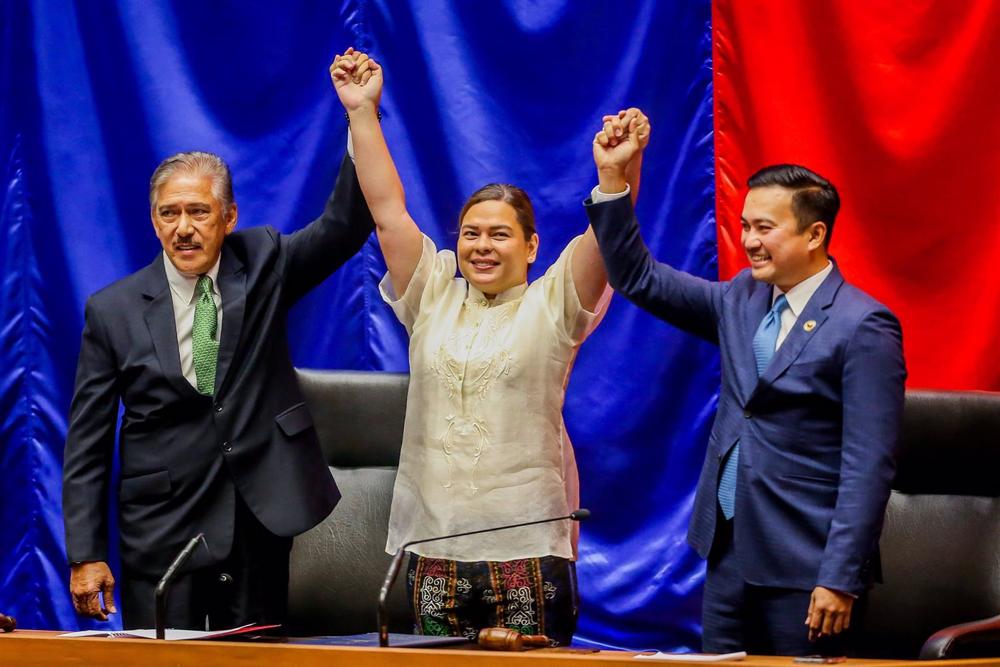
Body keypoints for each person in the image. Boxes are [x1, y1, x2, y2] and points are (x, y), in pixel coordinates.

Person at [329, 49, 647, 646]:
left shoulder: (555, 304)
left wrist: (617, 177)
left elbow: (607, 242)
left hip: (528, 547)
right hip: (434, 546)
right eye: (470, 233)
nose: (481, 245)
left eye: (500, 234)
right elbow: (388, 212)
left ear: (530, 247)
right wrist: (362, 113)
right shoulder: (431, 296)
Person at [62, 66, 375, 630]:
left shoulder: (263, 263)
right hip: (161, 528)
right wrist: (85, 553)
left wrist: (360, 117)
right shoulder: (111, 310)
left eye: (198, 212)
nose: (183, 228)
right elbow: (86, 441)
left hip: (258, 517)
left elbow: (346, 225)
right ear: (154, 222)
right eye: (169, 213)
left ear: (228, 218)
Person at [584, 118, 906, 655]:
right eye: (744, 226)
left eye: (765, 228)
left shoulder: (863, 325)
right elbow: (638, 277)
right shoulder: (741, 299)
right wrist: (614, 180)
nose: (749, 241)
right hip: (729, 555)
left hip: (808, 568)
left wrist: (840, 577)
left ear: (814, 234)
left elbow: (868, 463)